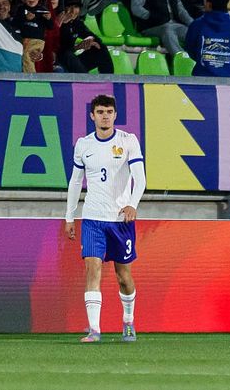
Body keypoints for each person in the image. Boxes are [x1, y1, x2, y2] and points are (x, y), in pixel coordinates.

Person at [64, 94, 146, 343]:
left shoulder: (128, 141)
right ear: (92, 116)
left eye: (109, 111)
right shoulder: (83, 145)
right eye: (100, 112)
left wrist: (132, 204)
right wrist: (70, 217)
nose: (105, 116)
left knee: (124, 277)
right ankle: (94, 330)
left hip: (120, 220)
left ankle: (128, 321)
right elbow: (76, 182)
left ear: (115, 115)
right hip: (92, 219)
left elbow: (140, 178)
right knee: (93, 268)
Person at [185, 0, 230, 78]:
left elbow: (190, 47)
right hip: (228, 79)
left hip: (202, 77)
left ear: (209, 4)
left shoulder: (197, 25)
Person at [58, 0, 114, 74]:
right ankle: (85, 82)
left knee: (101, 48)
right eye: (70, 6)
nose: (73, 11)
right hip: (59, 61)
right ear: (63, 7)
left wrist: (89, 39)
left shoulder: (77, 23)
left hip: (72, 61)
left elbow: (97, 40)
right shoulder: (58, 22)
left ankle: (109, 81)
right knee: (68, 55)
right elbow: (60, 51)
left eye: (76, 7)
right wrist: (78, 47)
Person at [12, 0, 52, 73]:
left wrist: (49, 19)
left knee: (27, 55)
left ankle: (30, 77)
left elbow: (50, 27)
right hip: (24, 40)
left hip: (38, 41)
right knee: (21, 56)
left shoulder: (43, 10)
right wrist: (24, 18)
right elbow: (15, 24)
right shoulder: (20, 10)